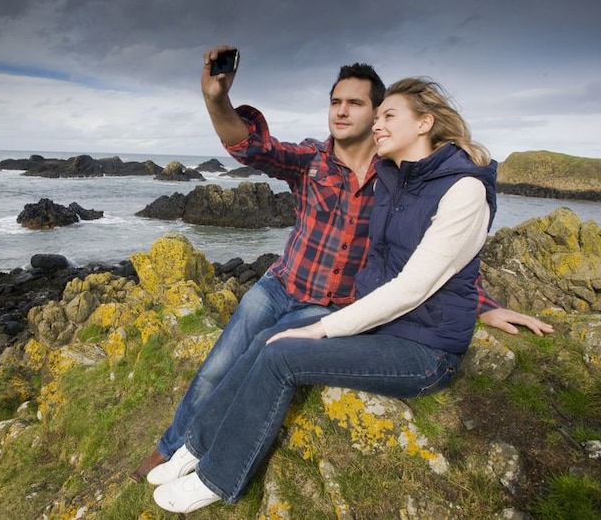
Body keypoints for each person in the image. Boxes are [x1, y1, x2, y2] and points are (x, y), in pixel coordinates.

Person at [131, 46, 553, 482]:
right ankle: (171, 448)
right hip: (279, 285)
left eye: (355, 103)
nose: (341, 111)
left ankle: (207, 454)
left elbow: (431, 254)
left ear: (377, 113)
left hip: (332, 305)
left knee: (260, 358)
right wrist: (216, 98)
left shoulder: (395, 176)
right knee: (218, 365)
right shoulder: (311, 159)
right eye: (335, 102)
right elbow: (250, 145)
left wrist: (484, 304)